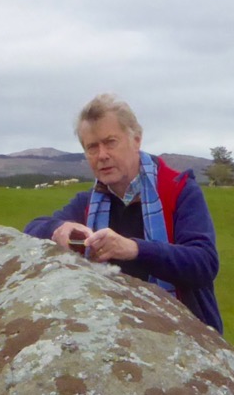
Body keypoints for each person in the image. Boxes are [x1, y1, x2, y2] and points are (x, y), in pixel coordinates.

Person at [24, 94, 223, 333]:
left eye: (110, 142)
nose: (102, 155)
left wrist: (134, 249)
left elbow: (204, 264)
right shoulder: (89, 202)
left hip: (186, 334)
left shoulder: (179, 191)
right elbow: (32, 230)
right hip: (114, 336)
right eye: (92, 147)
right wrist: (58, 230)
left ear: (136, 140)